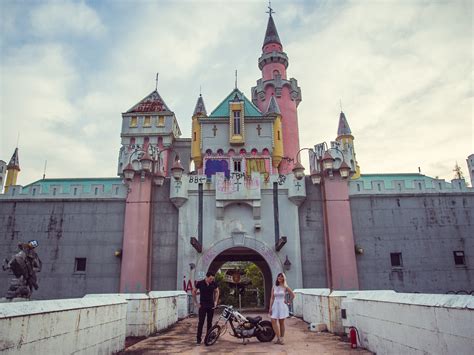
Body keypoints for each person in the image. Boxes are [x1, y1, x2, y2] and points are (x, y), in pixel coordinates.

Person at [192, 272, 220, 345]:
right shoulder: (200, 283)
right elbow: (194, 291)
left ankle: (208, 338)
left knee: (209, 322)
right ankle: (198, 340)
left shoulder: (213, 283)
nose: (211, 280)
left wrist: (216, 301)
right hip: (202, 306)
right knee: (201, 322)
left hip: (211, 306)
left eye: (212, 279)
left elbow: (217, 291)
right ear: (206, 277)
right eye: (210, 279)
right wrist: (196, 302)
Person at [269, 272, 295, 345]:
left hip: (282, 305)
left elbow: (293, 295)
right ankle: (278, 338)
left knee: (281, 322)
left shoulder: (285, 286)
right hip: (275, 305)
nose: (279, 278)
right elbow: (272, 298)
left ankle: (281, 338)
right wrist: (270, 307)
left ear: (283, 278)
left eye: (281, 277)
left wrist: (288, 302)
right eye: (278, 276)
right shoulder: (274, 286)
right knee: (273, 320)